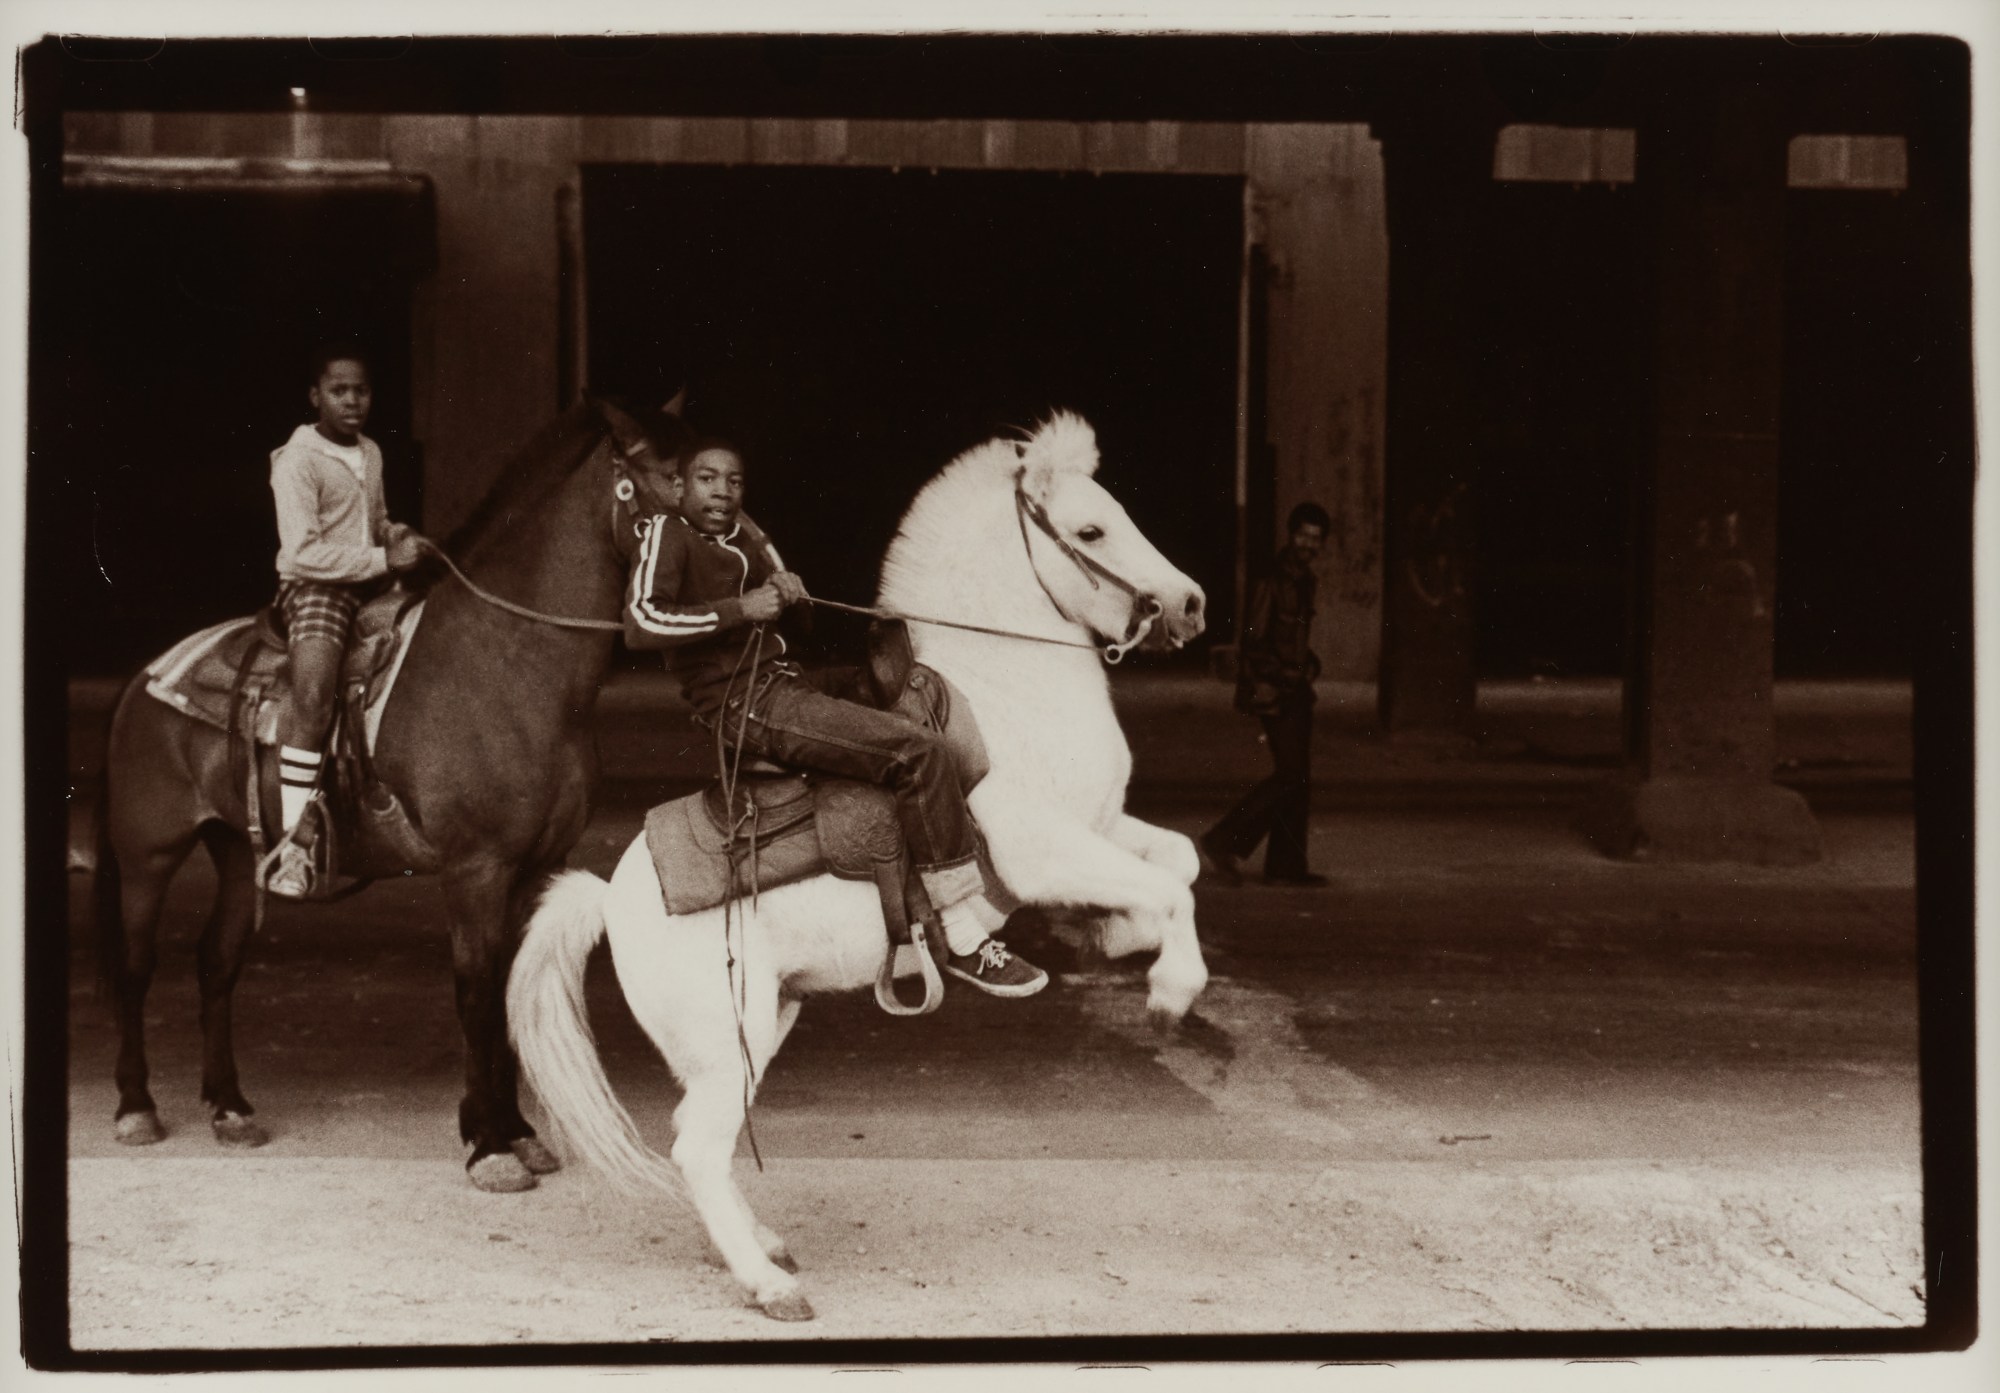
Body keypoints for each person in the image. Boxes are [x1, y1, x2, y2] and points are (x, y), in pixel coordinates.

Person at [623, 435, 1048, 998]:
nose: (722, 491)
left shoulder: (746, 534)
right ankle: (964, 936)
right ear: (677, 486)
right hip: (747, 702)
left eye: (734, 480)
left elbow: (792, 630)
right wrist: (741, 608)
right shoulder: (665, 533)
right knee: (917, 752)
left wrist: (789, 595)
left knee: (914, 690)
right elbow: (642, 622)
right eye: (707, 478)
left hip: (788, 680)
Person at [265, 345, 428, 896]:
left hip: (369, 584)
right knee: (313, 694)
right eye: (339, 391)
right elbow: (302, 552)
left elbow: (373, 520)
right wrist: (385, 559)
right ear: (317, 397)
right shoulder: (298, 460)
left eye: (361, 390)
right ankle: (292, 846)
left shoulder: (371, 451)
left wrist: (395, 535)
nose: (352, 401)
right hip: (317, 588)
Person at [1201, 501, 1332, 888]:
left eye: (1316, 538)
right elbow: (1254, 643)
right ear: (1291, 536)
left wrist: (1307, 661)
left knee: (1298, 777)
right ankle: (1223, 840)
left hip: (1294, 688)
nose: (1309, 543)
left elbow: (1290, 637)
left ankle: (1286, 867)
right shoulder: (1271, 581)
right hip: (1273, 691)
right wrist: (1287, 672)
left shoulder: (1305, 580)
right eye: (1303, 535)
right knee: (1290, 775)